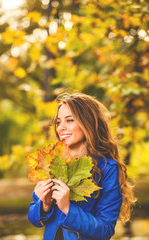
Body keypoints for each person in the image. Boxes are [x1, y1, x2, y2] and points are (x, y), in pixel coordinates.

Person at [28, 92, 135, 240]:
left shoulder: (108, 169)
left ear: (88, 123)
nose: (61, 128)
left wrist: (67, 208)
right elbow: (35, 219)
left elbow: (105, 229)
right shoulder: (53, 162)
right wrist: (44, 206)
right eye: (58, 122)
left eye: (70, 120)